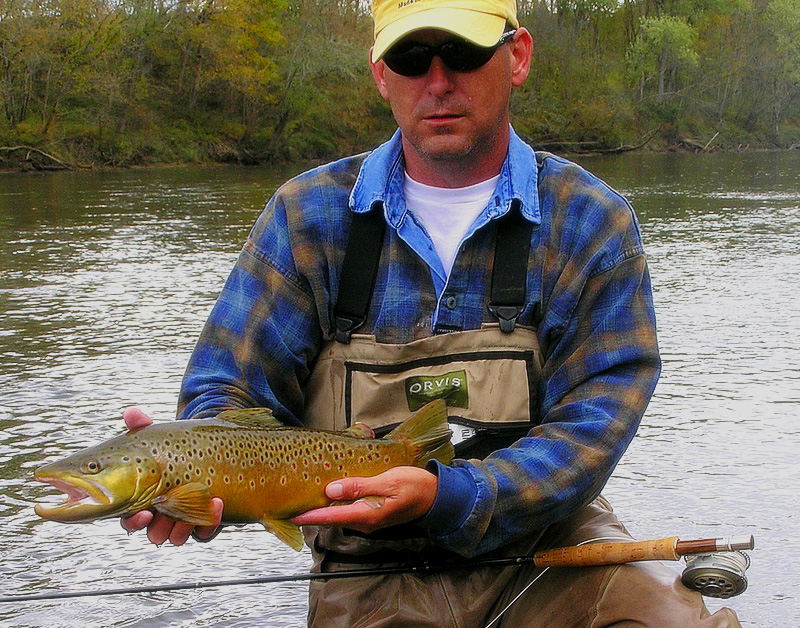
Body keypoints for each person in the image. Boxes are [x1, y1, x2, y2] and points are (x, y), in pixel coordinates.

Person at [122, 0, 743, 625]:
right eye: (412, 59)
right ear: (381, 75)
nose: (439, 83)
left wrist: (455, 495)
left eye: (465, 54)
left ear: (517, 56)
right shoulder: (304, 217)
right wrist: (197, 472)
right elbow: (226, 387)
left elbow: (596, 423)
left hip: (549, 552)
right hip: (367, 568)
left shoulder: (591, 221)